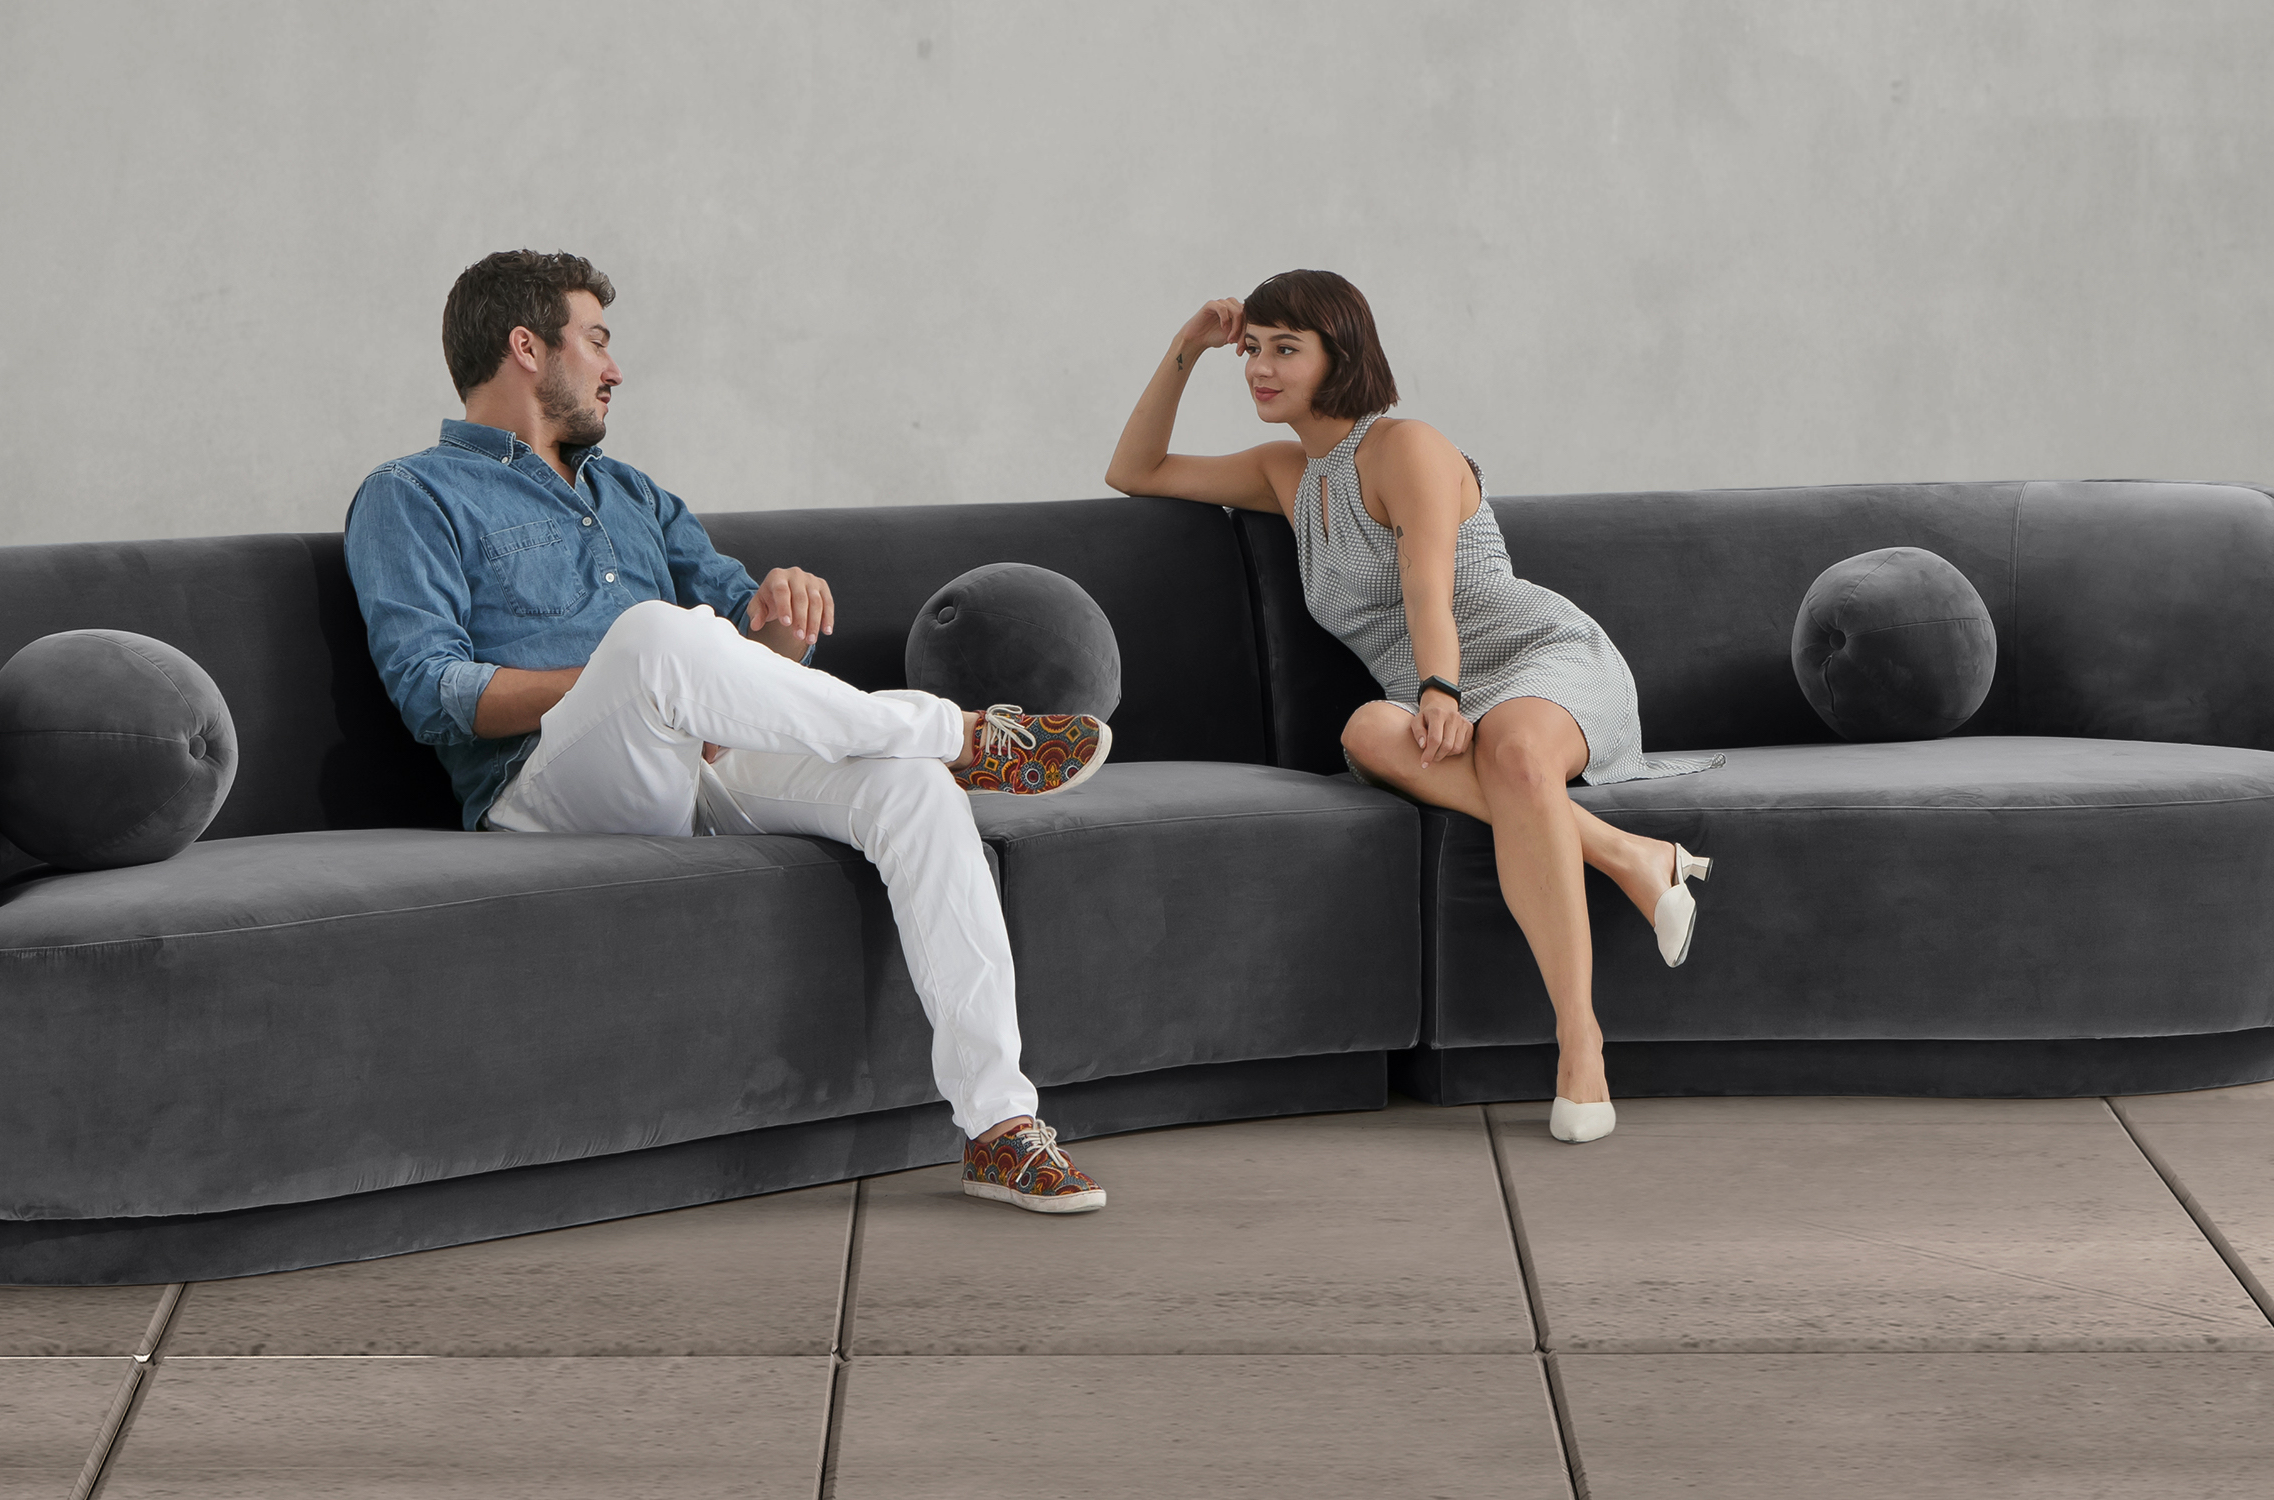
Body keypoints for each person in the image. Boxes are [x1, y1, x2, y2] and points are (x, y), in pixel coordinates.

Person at [345, 250, 1110, 1211]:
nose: (614, 368)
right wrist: (638, 680)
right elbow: (431, 691)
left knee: (906, 789)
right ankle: (954, 733)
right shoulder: (408, 495)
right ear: (526, 347)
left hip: (696, 761)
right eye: (596, 341)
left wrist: (782, 620)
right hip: (536, 786)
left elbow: (749, 648)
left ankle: (998, 1125)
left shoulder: (632, 494)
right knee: (655, 637)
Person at [1103, 269, 1721, 1145]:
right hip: (1427, 690)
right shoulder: (1288, 473)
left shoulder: (1405, 446)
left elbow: (1427, 586)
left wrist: (1441, 689)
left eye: (1286, 349)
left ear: (1339, 354)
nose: (1259, 369)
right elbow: (1134, 470)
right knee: (1364, 730)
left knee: (1511, 754)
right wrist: (1188, 347)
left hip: (1536, 659)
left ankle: (1579, 1041)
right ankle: (1630, 854)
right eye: (1251, 350)